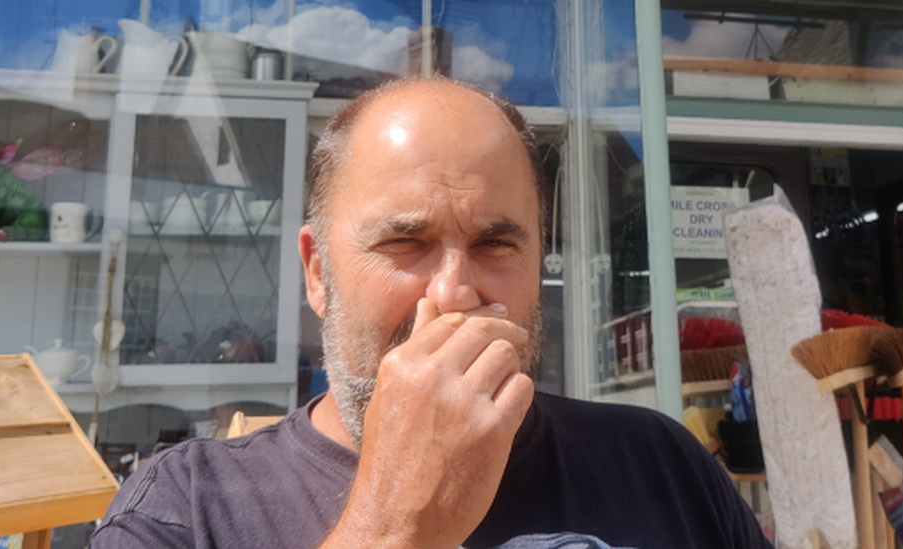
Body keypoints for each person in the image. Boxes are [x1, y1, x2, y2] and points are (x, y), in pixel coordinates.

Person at [90, 76, 773, 549]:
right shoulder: (185, 506)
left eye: (495, 242)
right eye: (405, 241)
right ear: (319, 272)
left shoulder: (661, 463)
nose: (453, 292)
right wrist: (393, 525)